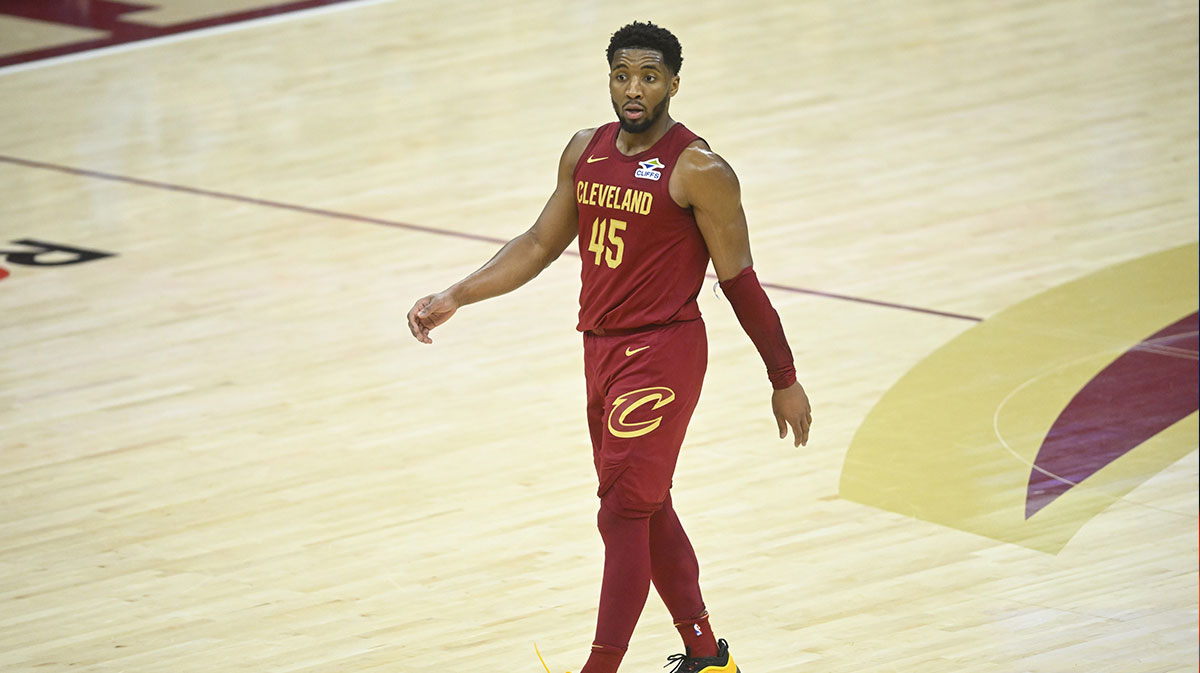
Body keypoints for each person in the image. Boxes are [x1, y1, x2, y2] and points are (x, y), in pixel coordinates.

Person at [407, 20, 812, 673]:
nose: (633, 88)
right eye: (622, 75)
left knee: (622, 510)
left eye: (649, 76)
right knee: (648, 506)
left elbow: (739, 281)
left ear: (674, 84)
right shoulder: (584, 149)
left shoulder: (699, 169)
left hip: (664, 352)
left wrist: (783, 376)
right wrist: (459, 293)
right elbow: (539, 243)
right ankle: (708, 657)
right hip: (600, 351)